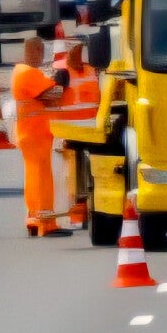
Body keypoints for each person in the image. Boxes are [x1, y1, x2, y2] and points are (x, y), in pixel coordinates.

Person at [10, 34, 69, 238]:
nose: (42, 55)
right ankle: (46, 223)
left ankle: (34, 219)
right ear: (33, 51)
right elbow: (53, 94)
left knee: (33, 176)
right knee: (41, 177)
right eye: (40, 51)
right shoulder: (29, 73)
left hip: (30, 133)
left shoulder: (20, 72)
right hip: (35, 133)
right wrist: (60, 83)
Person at [52, 37, 101, 225]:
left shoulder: (90, 69)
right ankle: (77, 213)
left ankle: (86, 209)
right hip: (70, 130)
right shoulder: (62, 71)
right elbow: (55, 98)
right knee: (73, 174)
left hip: (89, 128)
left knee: (87, 171)